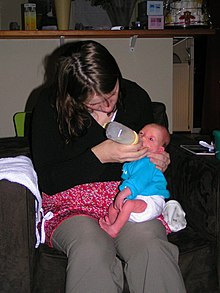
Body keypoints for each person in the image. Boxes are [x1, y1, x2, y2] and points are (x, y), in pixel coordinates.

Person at [31, 40, 186, 293]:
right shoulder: (51, 107)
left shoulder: (135, 97)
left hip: (129, 198)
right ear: (74, 96)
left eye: (111, 94)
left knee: (152, 247)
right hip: (71, 204)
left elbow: (153, 146)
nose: (108, 106)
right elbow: (48, 179)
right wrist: (99, 155)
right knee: (91, 250)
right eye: (95, 103)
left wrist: (161, 159)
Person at [99, 123, 171, 238]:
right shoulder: (136, 159)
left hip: (152, 200)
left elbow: (138, 181)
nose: (142, 138)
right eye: (141, 133)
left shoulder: (150, 162)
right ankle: (113, 226)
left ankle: (114, 229)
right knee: (113, 207)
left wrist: (123, 194)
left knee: (127, 205)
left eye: (151, 139)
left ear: (159, 150)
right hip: (138, 196)